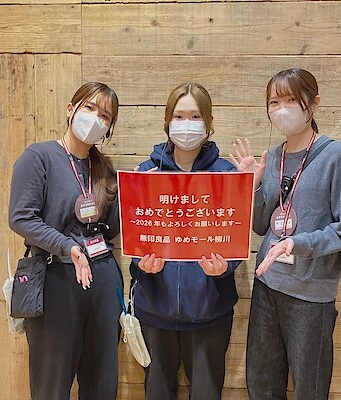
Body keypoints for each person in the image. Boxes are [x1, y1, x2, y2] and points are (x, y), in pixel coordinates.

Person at [230, 68, 341, 400]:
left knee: (309, 388)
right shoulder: (273, 157)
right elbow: (262, 225)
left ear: (313, 104)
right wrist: (252, 186)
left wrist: (297, 243)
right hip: (267, 285)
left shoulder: (337, 155)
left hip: (310, 294)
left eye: (291, 99)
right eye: (274, 102)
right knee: (261, 383)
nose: (282, 109)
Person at [9, 82, 123, 400]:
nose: (96, 118)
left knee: (102, 383)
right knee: (52, 384)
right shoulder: (39, 157)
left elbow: (110, 230)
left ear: (109, 128)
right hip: (55, 278)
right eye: (90, 108)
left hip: (102, 279)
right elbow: (21, 218)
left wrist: (131, 193)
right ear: (71, 109)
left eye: (105, 116)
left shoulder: (104, 168)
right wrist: (67, 246)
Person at [130, 82, 242, 400]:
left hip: (210, 311)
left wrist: (225, 267)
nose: (187, 124)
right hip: (155, 308)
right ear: (168, 121)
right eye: (179, 116)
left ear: (208, 122)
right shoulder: (146, 174)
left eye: (195, 116)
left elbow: (234, 235)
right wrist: (142, 263)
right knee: (156, 393)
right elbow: (138, 236)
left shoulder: (227, 174)